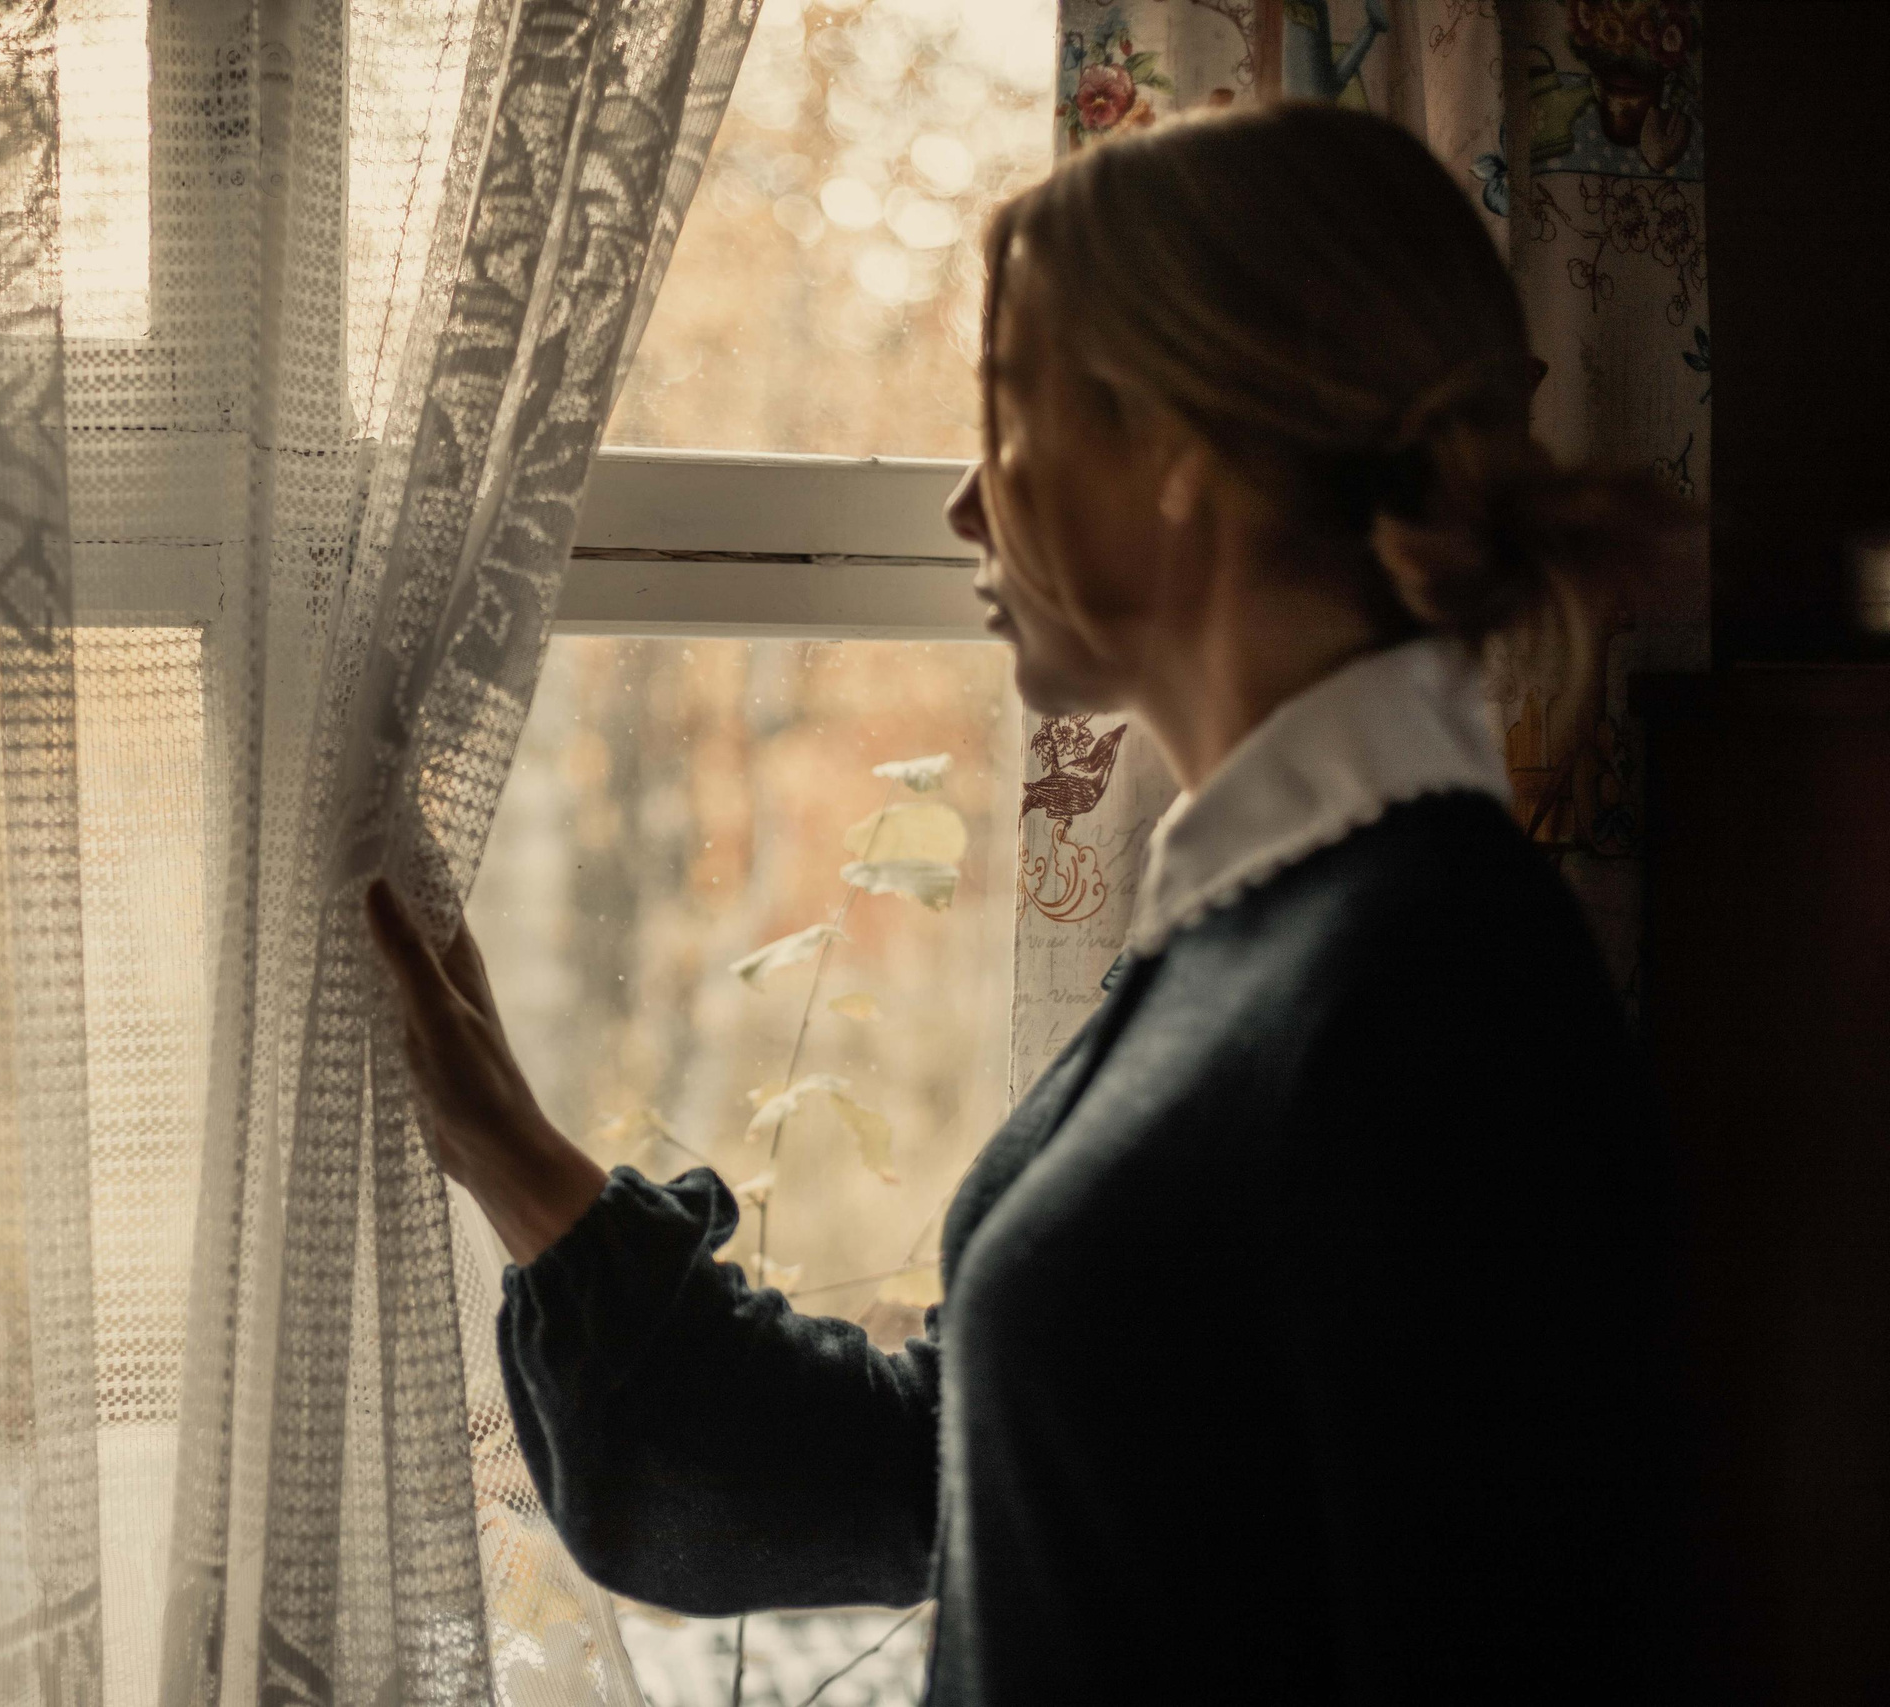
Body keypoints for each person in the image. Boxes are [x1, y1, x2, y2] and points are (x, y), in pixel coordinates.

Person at [366, 100, 1698, 1703]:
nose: (964, 503)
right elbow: (933, 1467)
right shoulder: (1263, 935)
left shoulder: (1437, 998)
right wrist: (511, 1155)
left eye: (1007, 417)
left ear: (1181, 452)